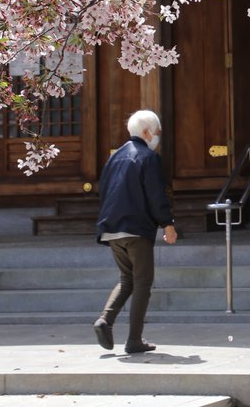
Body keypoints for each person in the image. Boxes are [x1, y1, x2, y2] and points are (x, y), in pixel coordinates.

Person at [92, 109, 177, 354]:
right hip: (136, 229)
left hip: (111, 228)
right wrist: (167, 223)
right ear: (147, 132)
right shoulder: (148, 158)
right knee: (142, 283)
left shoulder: (114, 157)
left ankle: (105, 320)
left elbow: (104, 192)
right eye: (157, 133)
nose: (158, 138)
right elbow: (155, 194)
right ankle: (134, 340)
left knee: (127, 279)